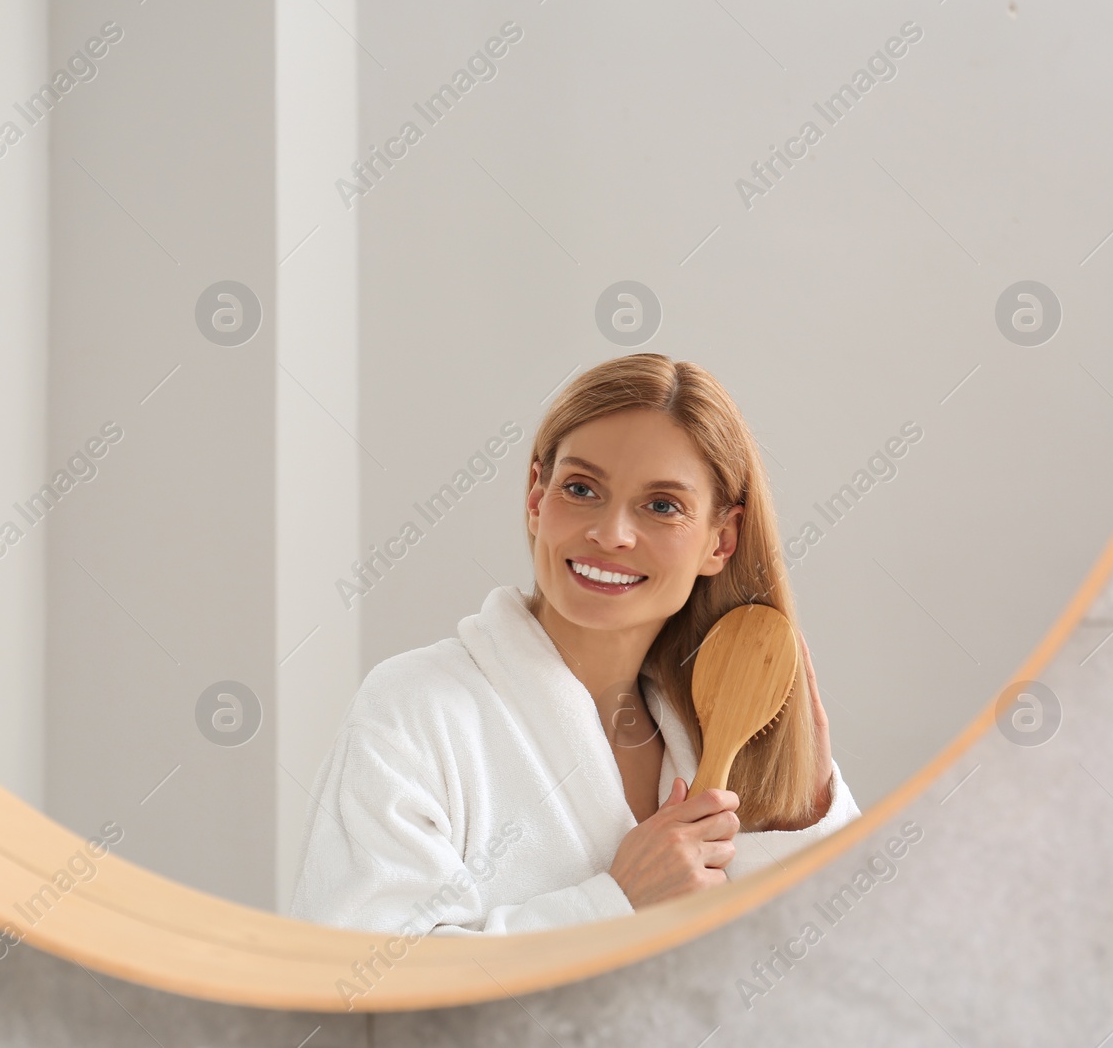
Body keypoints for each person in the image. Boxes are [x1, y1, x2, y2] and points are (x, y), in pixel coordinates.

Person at [288, 353, 860, 936]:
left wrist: (807, 818)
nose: (610, 533)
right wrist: (613, 905)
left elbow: (836, 987)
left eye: (662, 506)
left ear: (722, 539)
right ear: (537, 499)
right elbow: (358, 990)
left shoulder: (712, 732)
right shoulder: (412, 710)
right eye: (582, 488)